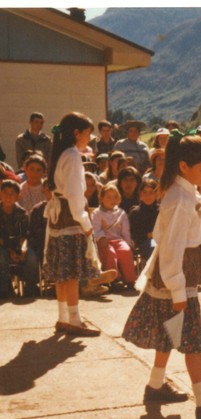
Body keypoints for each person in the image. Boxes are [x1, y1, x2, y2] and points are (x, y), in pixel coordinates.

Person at [122, 132, 201, 419]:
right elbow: (172, 246)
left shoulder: (183, 192)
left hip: (181, 274)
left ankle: (155, 385)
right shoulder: (180, 198)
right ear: (184, 166)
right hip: (178, 277)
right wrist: (177, 291)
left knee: (170, 332)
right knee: (191, 341)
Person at [44, 112, 106, 335]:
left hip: (59, 216)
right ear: (76, 133)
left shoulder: (61, 153)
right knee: (70, 272)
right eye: (88, 134)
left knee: (62, 271)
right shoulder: (71, 156)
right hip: (70, 216)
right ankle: (75, 321)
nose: (90, 138)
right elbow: (74, 195)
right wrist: (85, 222)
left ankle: (63, 318)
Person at [91, 183, 136, 289]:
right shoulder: (96, 213)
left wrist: (129, 243)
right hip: (103, 241)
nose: (112, 200)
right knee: (110, 253)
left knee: (125, 250)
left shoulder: (121, 213)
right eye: (109, 197)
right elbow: (96, 229)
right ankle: (113, 279)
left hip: (117, 239)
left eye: (115, 197)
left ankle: (129, 280)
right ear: (101, 198)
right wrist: (101, 237)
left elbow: (125, 231)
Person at [0, 179, 39, 297]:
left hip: (18, 245)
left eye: (12, 193)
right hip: (2, 246)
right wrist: (10, 251)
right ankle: (5, 289)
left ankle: (31, 287)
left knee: (31, 256)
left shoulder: (22, 213)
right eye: (5, 192)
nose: (8, 196)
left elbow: (24, 235)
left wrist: (22, 250)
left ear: (18, 196)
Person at [129, 179, 159, 261]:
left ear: (156, 194)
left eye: (151, 192)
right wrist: (147, 235)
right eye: (144, 192)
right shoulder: (135, 212)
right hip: (144, 242)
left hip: (161, 240)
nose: (147, 196)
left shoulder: (161, 211)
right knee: (154, 247)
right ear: (140, 194)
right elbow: (133, 234)